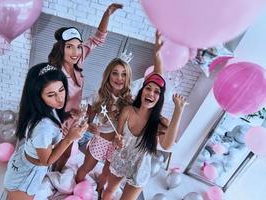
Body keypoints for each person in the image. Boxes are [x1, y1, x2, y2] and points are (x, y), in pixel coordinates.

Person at [102, 32, 187, 200]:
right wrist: (117, 141)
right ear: (142, 91)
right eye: (148, 89)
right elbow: (117, 137)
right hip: (120, 160)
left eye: (157, 92)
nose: (151, 93)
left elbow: (168, 145)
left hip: (139, 169)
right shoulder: (127, 111)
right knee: (109, 191)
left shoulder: (159, 122)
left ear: (160, 99)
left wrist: (178, 111)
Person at [48, 3, 123, 171]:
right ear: (62, 48)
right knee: (51, 152)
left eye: (78, 46)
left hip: (73, 119)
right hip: (56, 119)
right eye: (69, 47)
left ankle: (55, 175)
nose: (75, 51)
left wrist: (107, 14)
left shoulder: (78, 60)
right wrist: (68, 113)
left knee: (66, 154)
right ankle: (46, 173)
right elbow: (48, 100)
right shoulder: (54, 73)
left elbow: (98, 38)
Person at [4, 63, 88, 200]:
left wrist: (68, 115)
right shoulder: (43, 127)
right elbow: (46, 161)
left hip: (25, 162)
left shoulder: (42, 109)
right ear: (38, 96)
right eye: (51, 94)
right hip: (28, 172)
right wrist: (69, 139)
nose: (60, 98)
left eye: (62, 89)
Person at [75, 56, 133, 195]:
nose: (119, 78)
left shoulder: (130, 100)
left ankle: (99, 192)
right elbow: (89, 113)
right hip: (101, 140)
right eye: (115, 73)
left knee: (106, 174)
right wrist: (89, 124)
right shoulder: (99, 95)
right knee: (85, 168)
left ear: (128, 77)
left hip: (116, 145)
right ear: (108, 75)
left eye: (124, 74)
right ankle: (75, 189)